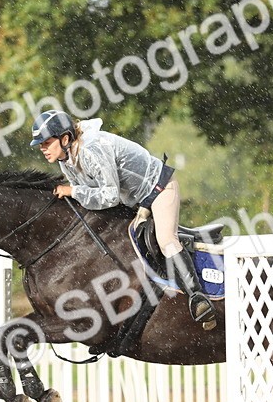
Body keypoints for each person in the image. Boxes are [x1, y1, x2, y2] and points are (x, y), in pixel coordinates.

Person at [30, 110, 216, 326]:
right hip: (132, 201)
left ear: (64, 139)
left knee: (166, 239)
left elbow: (108, 195)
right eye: (41, 144)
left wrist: (72, 191)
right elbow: (89, 194)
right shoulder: (66, 158)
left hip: (158, 189)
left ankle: (197, 298)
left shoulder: (91, 148)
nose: (43, 148)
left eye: (46, 143)